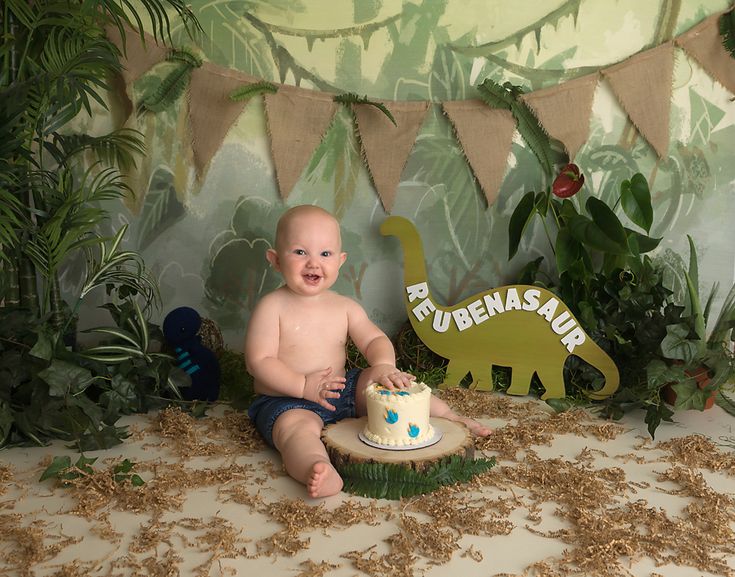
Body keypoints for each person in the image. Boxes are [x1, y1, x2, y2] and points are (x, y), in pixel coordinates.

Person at [245, 205, 491, 498]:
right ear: (275, 259)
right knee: (295, 431)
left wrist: (384, 365)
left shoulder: (343, 307)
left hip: (340, 390)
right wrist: (302, 386)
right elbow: (259, 362)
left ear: (340, 260)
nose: (313, 263)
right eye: (300, 252)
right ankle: (317, 466)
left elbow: (374, 339)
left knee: (382, 379)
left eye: (325, 254)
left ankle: (449, 416)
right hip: (287, 399)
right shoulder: (272, 307)